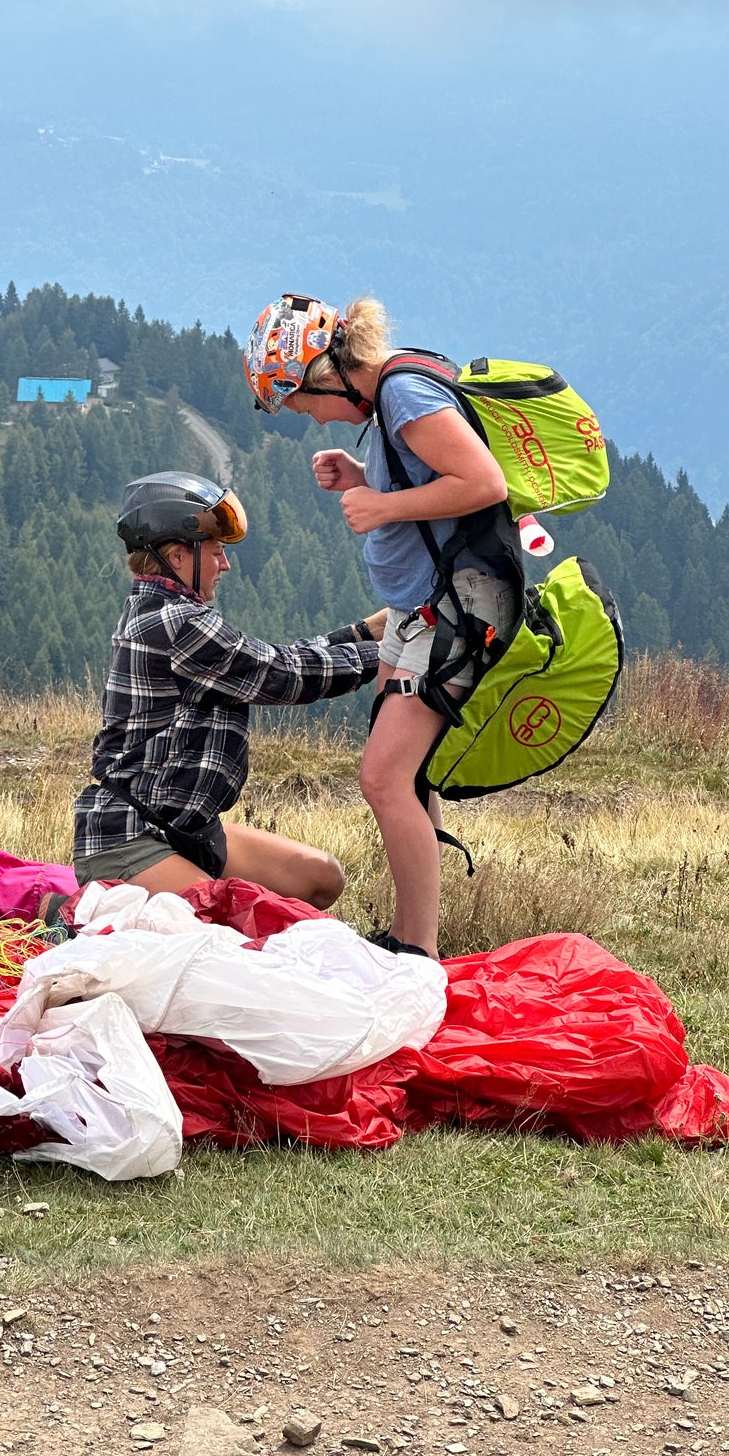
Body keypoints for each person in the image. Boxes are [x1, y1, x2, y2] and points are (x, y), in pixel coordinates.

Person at [244, 294, 514, 959]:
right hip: (420, 606)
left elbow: (485, 483)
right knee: (405, 774)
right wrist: (365, 476)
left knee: (383, 778)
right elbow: (437, 477)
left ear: (326, 373)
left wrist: (382, 502)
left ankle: (415, 949)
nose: (309, 419)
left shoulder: (402, 396)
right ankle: (410, 933)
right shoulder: (395, 392)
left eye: (302, 403)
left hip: (458, 606)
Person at [72, 471, 384, 908]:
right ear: (179, 556)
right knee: (237, 935)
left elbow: (265, 661)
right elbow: (283, 676)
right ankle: (70, 920)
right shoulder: (176, 623)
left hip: (187, 827)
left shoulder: (169, 612)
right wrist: (389, 655)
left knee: (320, 879)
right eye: (216, 552)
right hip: (133, 836)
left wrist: (362, 634)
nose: (225, 564)